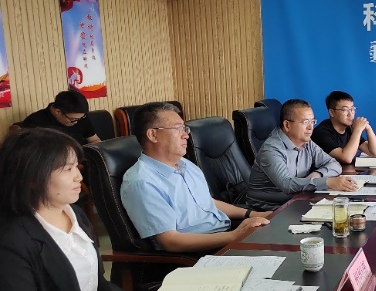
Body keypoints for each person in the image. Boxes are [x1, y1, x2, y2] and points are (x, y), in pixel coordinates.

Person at [0, 128, 133, 291]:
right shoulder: (12, 240)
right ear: (32, 177)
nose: (79, 176)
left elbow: (97, 280)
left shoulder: (74, 214)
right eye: (67, 169)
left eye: (76, 166)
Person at [120, 102, 271, 253]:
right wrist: (234, 236)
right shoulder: (142, 182)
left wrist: (252, 214)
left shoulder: (185, 164)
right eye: (178, 129)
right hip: (199, 253)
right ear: (153, 135)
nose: (186, 135)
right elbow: (170, 241)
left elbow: (207, 203)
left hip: (224, 235)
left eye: (184, 128)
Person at [246, 99, 358, 210]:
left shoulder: (307, 142)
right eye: (305, 122)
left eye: (312, 121)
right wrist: (327, 182)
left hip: (298, 199)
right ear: (287, 125)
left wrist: (317, 175)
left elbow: (334, 164)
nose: (310, 127)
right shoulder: (271, 149)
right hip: (269, 208)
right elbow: (286, 184)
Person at [311, 90, 376, 164]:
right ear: (332, 112)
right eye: (345, 110)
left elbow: (375, 154)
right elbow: (346, 158)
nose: (350, 114)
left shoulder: (349, 128)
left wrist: (368, 128)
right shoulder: (322, 133)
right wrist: (357, 130)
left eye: (352, 109)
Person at [21, 90, 100, 146]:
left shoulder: (81, 117)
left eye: (81, 118)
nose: (77, 122)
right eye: (73, 120)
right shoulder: (35, 122)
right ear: (58, 112)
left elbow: (94, 140)